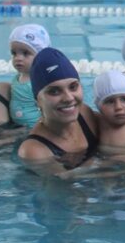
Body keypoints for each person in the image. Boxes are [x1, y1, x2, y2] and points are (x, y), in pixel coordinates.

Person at [17, 48, 103, 177]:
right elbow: (64, 187)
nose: (69, 98)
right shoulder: (33, 150)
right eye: (54, 91)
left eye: (73, 87)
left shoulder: (85, 114)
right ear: (37, 101)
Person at [7, 23, 51, 128]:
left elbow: (49, 109)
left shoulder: (40, 81)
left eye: (25, 53)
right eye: (14, 53)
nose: (18, 58)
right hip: (19, 126)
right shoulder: (17, 78)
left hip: (36, 127)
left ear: (40, 55)